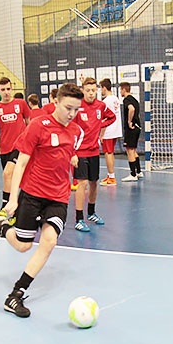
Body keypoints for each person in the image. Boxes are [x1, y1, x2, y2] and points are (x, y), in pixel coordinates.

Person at [0, 82, 85, 318]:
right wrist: (13, 199)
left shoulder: (76, 131)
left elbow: (66, 153)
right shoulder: (38, 126)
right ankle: (2, 229)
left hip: (58, 197)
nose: (72, 114)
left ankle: (16, 294)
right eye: (68, 108)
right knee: (23, 245)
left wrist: (72, 157)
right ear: (55, 102)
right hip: (32, 195)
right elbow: (21, 163)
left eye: (76, 110)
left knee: (49, 241)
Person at [72, 77, 116, 232]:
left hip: (94, 151)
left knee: (94, 183)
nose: (91, 94)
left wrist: (100, 124)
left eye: (93, 90)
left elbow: (112, 117)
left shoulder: (101, 106)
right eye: (88, 90)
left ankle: (91, 212)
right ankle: (78, 218)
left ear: (97, 90)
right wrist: (72, 152)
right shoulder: (77, 106)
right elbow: (70, 128)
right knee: (82, 184)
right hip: (80, 151)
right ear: (82, 90)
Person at [0, 77, 30, 211]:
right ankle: (18, 205)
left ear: (11, 88)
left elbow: (29, 124)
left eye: (8, 89)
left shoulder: (21, 104)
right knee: (12, 179)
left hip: (20, 146)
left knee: (7, 174)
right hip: (5, 148)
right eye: (3, 90)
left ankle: (5, 206)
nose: (6, 92)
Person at [98, 78, 122, 186]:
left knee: (107, 153)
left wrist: (101, 134)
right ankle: (110, 175)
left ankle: (112, 177)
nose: (100, 90)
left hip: (109, 131)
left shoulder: (106, 101)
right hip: (116, 130)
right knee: (111, 152)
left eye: (100, 88)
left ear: (104, 87)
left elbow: (104, 119)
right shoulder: (115, 98)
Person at [119, 82, 142, 182]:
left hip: (131, 128)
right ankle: (139, 171)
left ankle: (133, 174)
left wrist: (129, 121)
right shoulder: (135, 100)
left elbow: (131, 109)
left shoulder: (126, 100)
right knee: (133, 150)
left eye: (120, 89)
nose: (120, 92)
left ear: (124, 89)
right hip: (137, 128)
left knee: (129, 150)